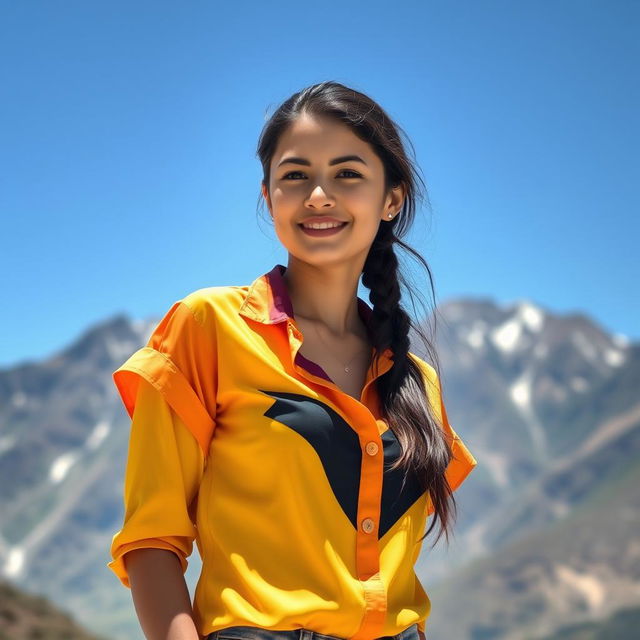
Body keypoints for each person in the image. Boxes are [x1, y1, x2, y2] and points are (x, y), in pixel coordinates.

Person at [108, 81, 478, 640]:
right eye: (295, 175)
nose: (319, 195)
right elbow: (152, 540)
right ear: (268, 196)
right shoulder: (208, 327)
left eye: (347, 174)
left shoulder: (416, 382)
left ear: (391, 199)